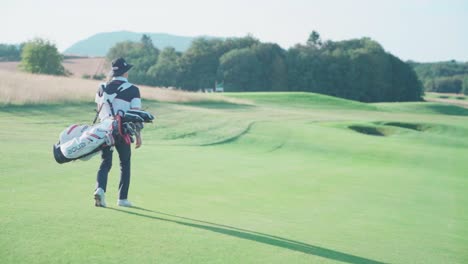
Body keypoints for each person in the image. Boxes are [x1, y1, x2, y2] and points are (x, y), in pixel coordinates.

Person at [93, 57, 142, 208]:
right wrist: (139, 135)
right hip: (123, 131)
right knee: (125, 164)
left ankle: (99, 188)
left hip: (104, 130)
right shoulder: (133, 89)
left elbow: (99, 109)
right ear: (125, 72)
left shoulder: (102, 88)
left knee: (105, 162)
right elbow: (135, 115)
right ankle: (122, 199)